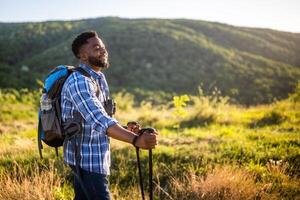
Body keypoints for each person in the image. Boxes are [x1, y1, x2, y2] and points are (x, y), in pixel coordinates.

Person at [61, 31, 158, 200]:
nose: (103, 50)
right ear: (83, 56)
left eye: (103, 47)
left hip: (95, 157)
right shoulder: (79, 81)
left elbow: (104, 115)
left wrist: (127, 130)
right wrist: (135, 140)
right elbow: (99, 119)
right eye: (96, 47)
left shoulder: (98, 78)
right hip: (86, 160)